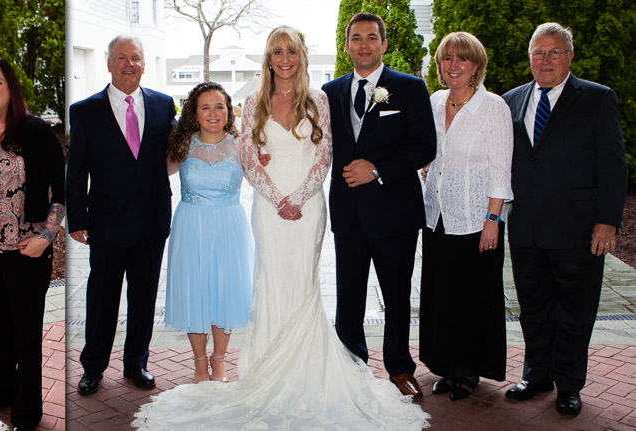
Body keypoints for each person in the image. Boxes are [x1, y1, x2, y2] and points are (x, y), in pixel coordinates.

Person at [133, 26, 429, 430]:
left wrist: (300, 196)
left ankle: (313, 369)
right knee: (271, 283)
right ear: (268, 58)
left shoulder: (319, 99)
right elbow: (249, 156)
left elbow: (324, 153)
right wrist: (276, 199)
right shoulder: (253, 100)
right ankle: (267, 368)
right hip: (269, 211)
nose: (284, 58)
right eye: (277, 51)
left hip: (307, 209)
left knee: (304, 286)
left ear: (301, 56)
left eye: (291, 50)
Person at [501, 22, 626, 415]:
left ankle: (569, 385)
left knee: (575, 312)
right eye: (538, 52)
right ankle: (536, 374)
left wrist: (607, 221)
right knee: (533, 308)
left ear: (570, 56)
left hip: (577, 230)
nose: (545, 59)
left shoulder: (596, 98)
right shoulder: (512, 100)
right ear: (529, 58)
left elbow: (613, 165)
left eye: (554, 52)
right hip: (527, 230)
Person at [321, 12, 436, 398]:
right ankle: (350, 366)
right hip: (349, 212)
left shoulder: (410, 88)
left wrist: (378, 170)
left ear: (383, 44)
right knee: (348, 293)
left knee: (397, 294)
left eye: (372, 37)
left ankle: (400, 367)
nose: (364, 45)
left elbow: (424, 147)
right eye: (356, 38)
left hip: (395, 212)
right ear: (347, 44)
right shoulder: (329, 92)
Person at [0, 55, 65, 429]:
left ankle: (26, 411)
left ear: (10, 88)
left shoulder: (35, 132)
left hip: (24, 252)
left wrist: (45, 237)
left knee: (25, 334)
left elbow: (62, 192)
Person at [67, 34, 177, 396]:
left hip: (151, 220)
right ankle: (93, 367)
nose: (130, 64)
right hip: (107, 221)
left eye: (136, 58)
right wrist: (77, 218)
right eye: (122, 58)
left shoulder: (164, 105)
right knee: (102, 298)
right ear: (109, 62)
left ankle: (136, 364)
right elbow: (76, 169)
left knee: (144, 296)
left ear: (144, 62)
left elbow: (180, 150)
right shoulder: (84, 111)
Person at [418, 31, 512, 401]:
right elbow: (427, 149)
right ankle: (446, 366)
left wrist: (494, 219)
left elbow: (501, 169)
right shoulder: (435, 101)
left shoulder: (493, 108)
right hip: (438, 215)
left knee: (473, 296)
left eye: (462, 59)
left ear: (476, 66)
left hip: (477, 219)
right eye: (447, 58)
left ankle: (470, 370)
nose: (453, 66)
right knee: (442, 296)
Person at [159, 82, 253, 384]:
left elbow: (264, 180)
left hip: (229, 227)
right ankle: (200, 363)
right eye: (206, 107)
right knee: (195, 292)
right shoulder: (182, 145)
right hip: (191, 226)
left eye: (219, 106)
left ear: (229, 111)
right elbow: (149, 174)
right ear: (194, 114)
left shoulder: (243, 145)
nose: (213, 113)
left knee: (224, 292)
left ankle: (220, 360)